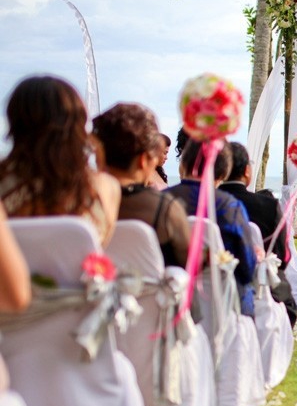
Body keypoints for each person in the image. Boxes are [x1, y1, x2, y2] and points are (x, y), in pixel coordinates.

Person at [0, 75, 120, 246]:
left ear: (14, 122)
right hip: (78, 274)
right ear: (79, 123)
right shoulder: (105, 188)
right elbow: (98, 254)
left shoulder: (4, 180)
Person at [166, 139, 258, 318]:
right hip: (225, 308)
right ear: (224, 170)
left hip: (171, 302)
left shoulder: (163, 201)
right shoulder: (229, 206)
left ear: (183, 164)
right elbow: (248, 269)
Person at [92, 103, 191, 268]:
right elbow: (190, 263)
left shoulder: (80, 205)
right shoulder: (166, 209)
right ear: (144, 160)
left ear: (99, 156)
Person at [219, 142, 297, 326]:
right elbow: (283, 256)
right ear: (247, 171)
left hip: (215, 288)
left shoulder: (206, 204)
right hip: (264, 291)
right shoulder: (268, 206)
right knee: (289, 305)